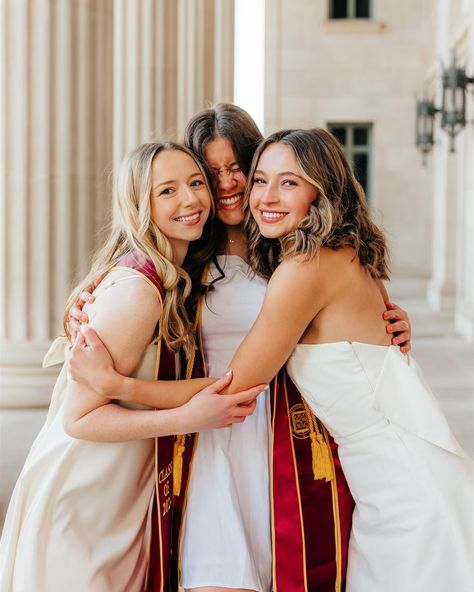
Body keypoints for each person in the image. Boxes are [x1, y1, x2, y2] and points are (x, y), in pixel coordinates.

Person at [68, 105, 414, 592]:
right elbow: (117, 308)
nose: (227, 183)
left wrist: (395, 322)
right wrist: (86, 313)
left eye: (238, 169)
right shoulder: (181, 262)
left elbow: (350, 315)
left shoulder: (294, 251)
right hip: (209, 442)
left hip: (293, 445)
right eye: (210, 173)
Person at [0, 141, 264, 592]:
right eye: (167, 191)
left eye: (195, 183)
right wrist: (188, 418)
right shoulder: (138, 291)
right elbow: (79, 419)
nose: (191, 199)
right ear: (139, 204)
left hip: (120, 494)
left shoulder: (170, 281)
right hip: (84, 497)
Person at [218, 128, 473, 591]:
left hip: (405, 491)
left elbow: (235, 386)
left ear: (323, 189)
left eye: (289, 182)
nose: (266, 197)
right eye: (260, 180)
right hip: (395, 478)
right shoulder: (350, 253)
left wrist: (120, 389)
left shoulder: (304, 271)